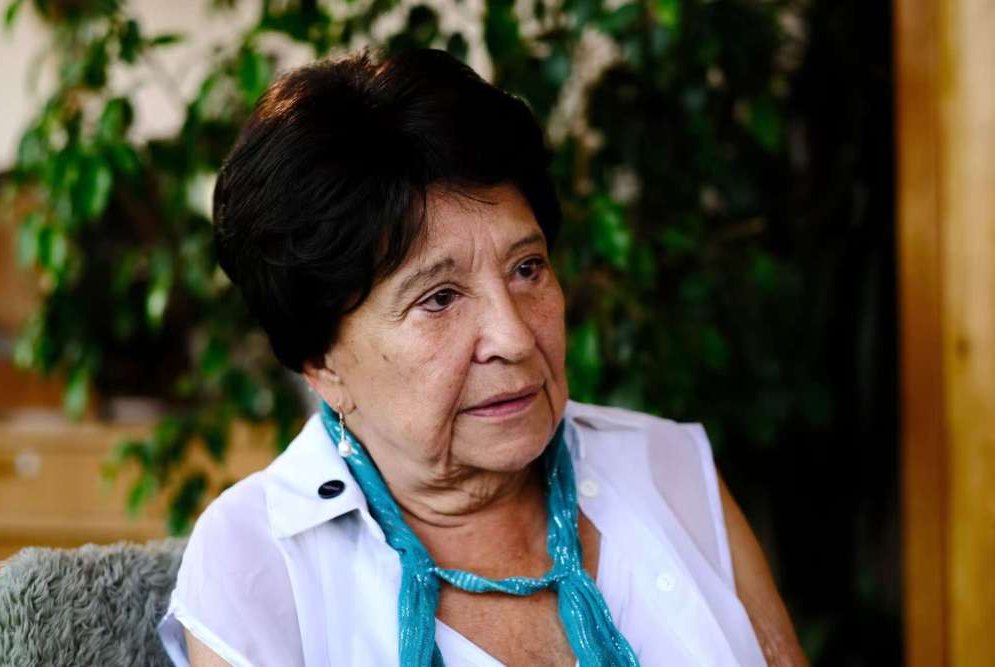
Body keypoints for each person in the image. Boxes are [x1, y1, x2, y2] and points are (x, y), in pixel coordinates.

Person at [157, 47, 807, 666]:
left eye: (527, 268)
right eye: (439, 299)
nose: (514, 338)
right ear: (322, 361)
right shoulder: (259, 559)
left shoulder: (666, 465)